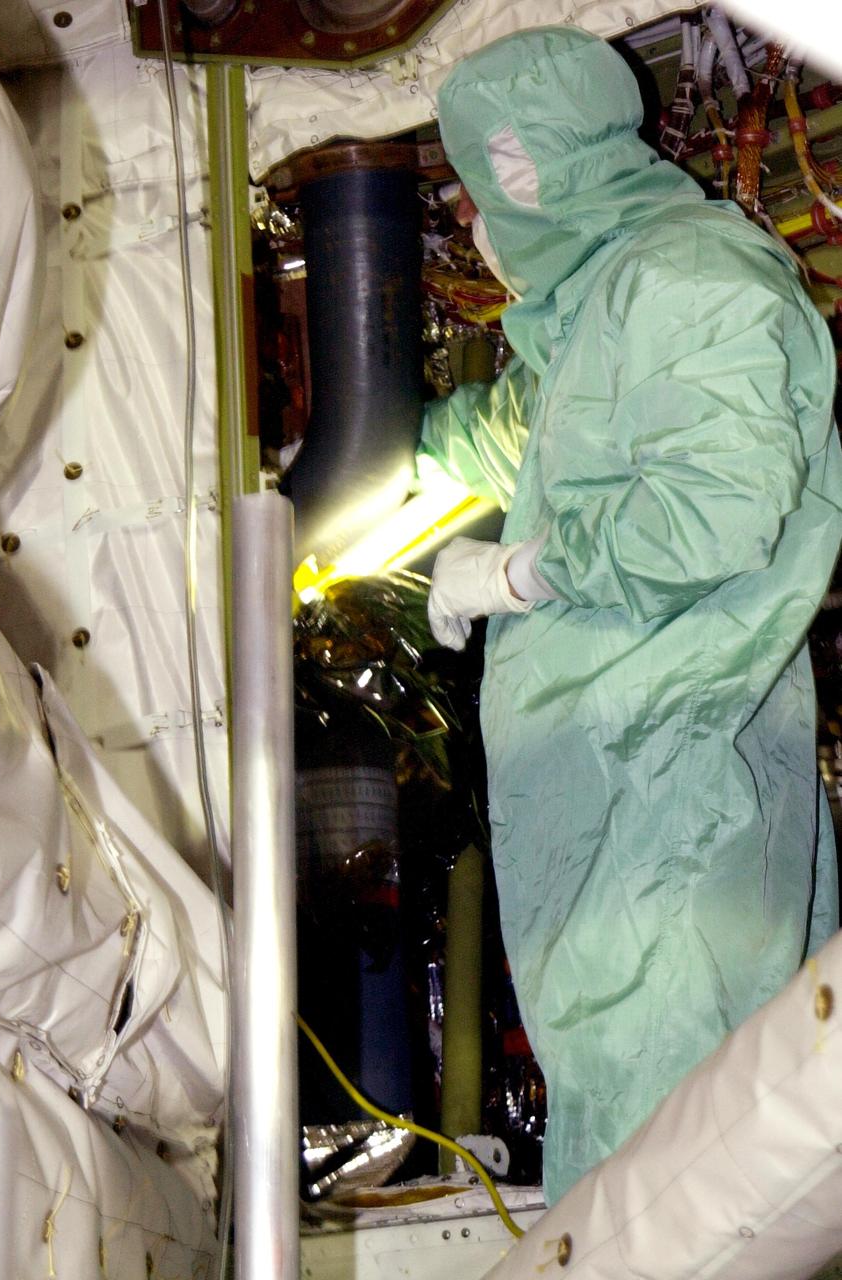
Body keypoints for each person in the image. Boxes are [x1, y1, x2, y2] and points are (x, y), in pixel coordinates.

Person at [419, 25, 842, 1204]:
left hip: (671, 833)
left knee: (667, 1199)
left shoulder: (687, 281)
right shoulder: (607, 306)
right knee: (657, 1185)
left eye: (471, 190)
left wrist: (509, 577)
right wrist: (384, 454)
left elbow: (706, 514)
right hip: (625, 828)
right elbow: (537, 428)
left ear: (524, 172)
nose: (464, 225)